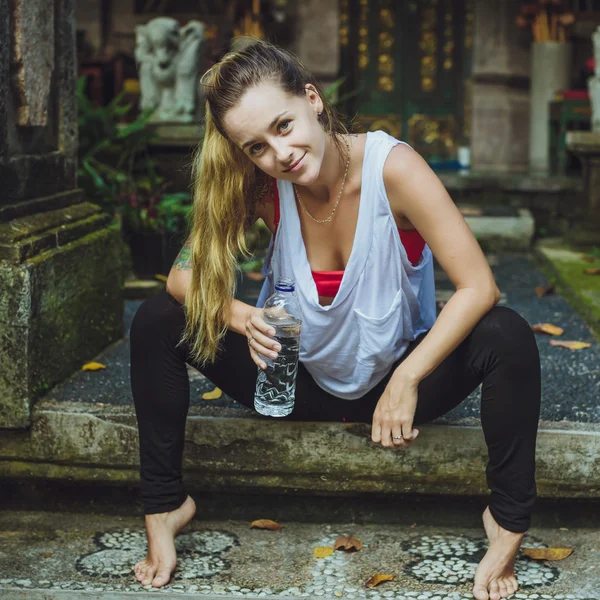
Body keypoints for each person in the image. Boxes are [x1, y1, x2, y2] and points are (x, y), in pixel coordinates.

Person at [130, 39, 541, 600]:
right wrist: (241, 315)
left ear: (312, 98)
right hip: (293, 382)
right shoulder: (262, 187)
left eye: (284, 125)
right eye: (256, 147)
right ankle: (164, 507)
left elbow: (479, 287)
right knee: (157, 320)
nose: (281, 153)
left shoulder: (394, 169)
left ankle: (507, 520)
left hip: (395, 393)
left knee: (508, 335)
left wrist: (406, 378)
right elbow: (184, 278)